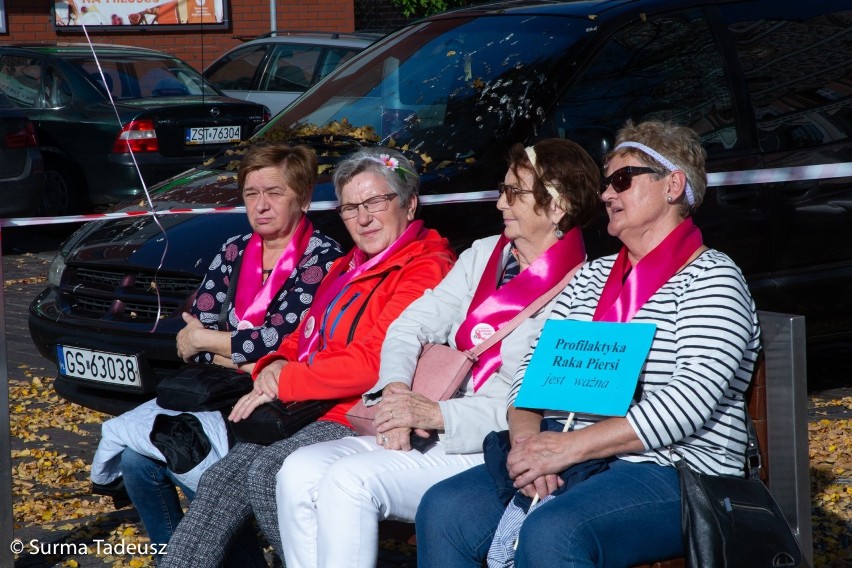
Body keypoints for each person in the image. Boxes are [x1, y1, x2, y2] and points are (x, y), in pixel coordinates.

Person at [416, 120, 762, 567]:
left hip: (675, 470)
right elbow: (530, 376)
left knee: (555, 531)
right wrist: (527, 448)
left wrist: (568, 449)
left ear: (673, 185)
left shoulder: (712, 279)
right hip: (568, 453)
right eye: (605, 183)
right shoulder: (592, 278)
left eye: (622, 180)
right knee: (445, 509)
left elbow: (689, 401)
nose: (605, 195)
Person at [276, 138, 601, 568]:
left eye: (514, 192)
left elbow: (535, 403)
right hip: (428, 420)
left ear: (557, 206)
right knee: (295, 470)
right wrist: (394, 392)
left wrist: (434, 416)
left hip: (482, 443)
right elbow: (408, 326)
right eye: (502, 190)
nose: (500, 203)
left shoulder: (587, 289)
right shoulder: (485, 254)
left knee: (349, 480)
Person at [159, 147, 457, 567]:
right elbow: (304, 332)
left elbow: (373, 362)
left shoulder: (423, 268)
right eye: (351, 207)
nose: (363, 218)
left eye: (375, 202)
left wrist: (284, 380)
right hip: (312, 404)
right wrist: (274, 363)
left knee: (268, 474)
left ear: (408, 205)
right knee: (220, 479)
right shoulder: (351, 264)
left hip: (361, 412)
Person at [90, 142, 344, 551]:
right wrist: (231, 350)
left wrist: (216, 343)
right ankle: (176, 555)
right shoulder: (234, 251)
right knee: (138, 462)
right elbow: (192, 340)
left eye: (274, 192)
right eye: (251, 194)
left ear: (304, 197)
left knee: (188, 463)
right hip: (214, 390)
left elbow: (279, 342)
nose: (261, 205)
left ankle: (229, 557)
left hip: (276, 399)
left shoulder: (324, 260)